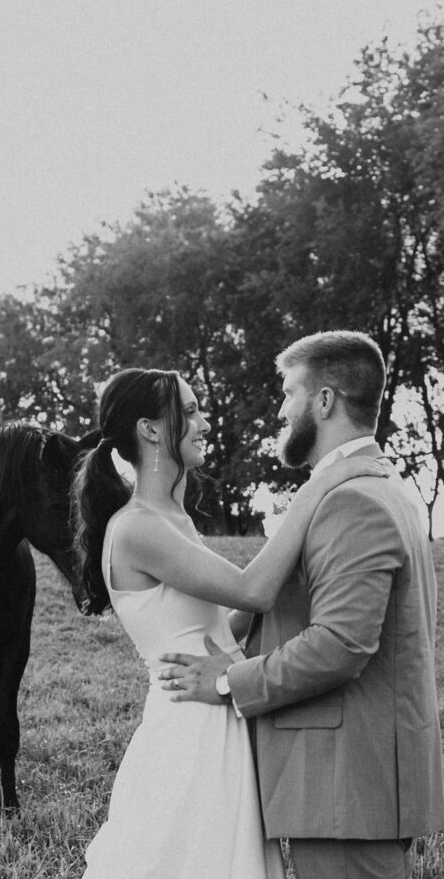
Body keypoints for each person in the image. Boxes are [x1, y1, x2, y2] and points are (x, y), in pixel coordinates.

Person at [74, 365, 389, 879]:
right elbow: (254, 589)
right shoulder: (135, 528)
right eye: (191, 411)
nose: (204, 423)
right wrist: (326, 480)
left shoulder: (176, 522)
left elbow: (232, 624)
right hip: (189, 729)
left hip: (221, 713)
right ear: (150, 430)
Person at [159, 331, 444, 879]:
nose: (282, 410)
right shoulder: (374, 486)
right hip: (351, 785)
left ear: (325, 400)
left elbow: (341, 645)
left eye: (289, 392)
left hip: (345, 786)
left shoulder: (352, 500)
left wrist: (227, 681)